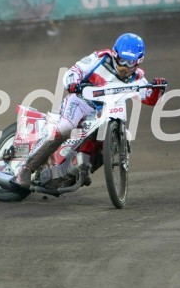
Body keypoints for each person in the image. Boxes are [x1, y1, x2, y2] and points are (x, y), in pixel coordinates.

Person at [13, 33, 167, 188]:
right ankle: (26, 168)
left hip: (105, 111)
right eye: (122, 60)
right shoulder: (100, 58)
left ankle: (82, 168)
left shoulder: (138, 77)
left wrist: (158, 89)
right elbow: (75, 70)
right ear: (115, 54)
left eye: (130, 61)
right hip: (80, 102)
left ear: (139, 61)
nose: (124, 66)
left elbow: (148, 98)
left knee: (112, 139)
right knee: (65, 128)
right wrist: (73, 82)